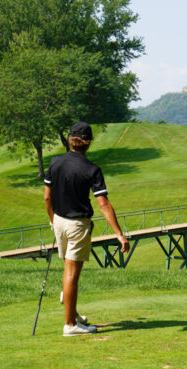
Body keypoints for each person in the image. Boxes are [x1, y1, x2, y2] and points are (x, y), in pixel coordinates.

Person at [44, 122, 130, 336]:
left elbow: (47, 196)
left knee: (69, 269)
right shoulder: (92, 169)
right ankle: (70, 325)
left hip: (59, 221)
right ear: (88, 142)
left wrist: (53, 220)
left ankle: (70, 307)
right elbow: (103, 204)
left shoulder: (55, 162)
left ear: (70, 139)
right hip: (77, 225)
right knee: (72, 273)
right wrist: (119, 234)